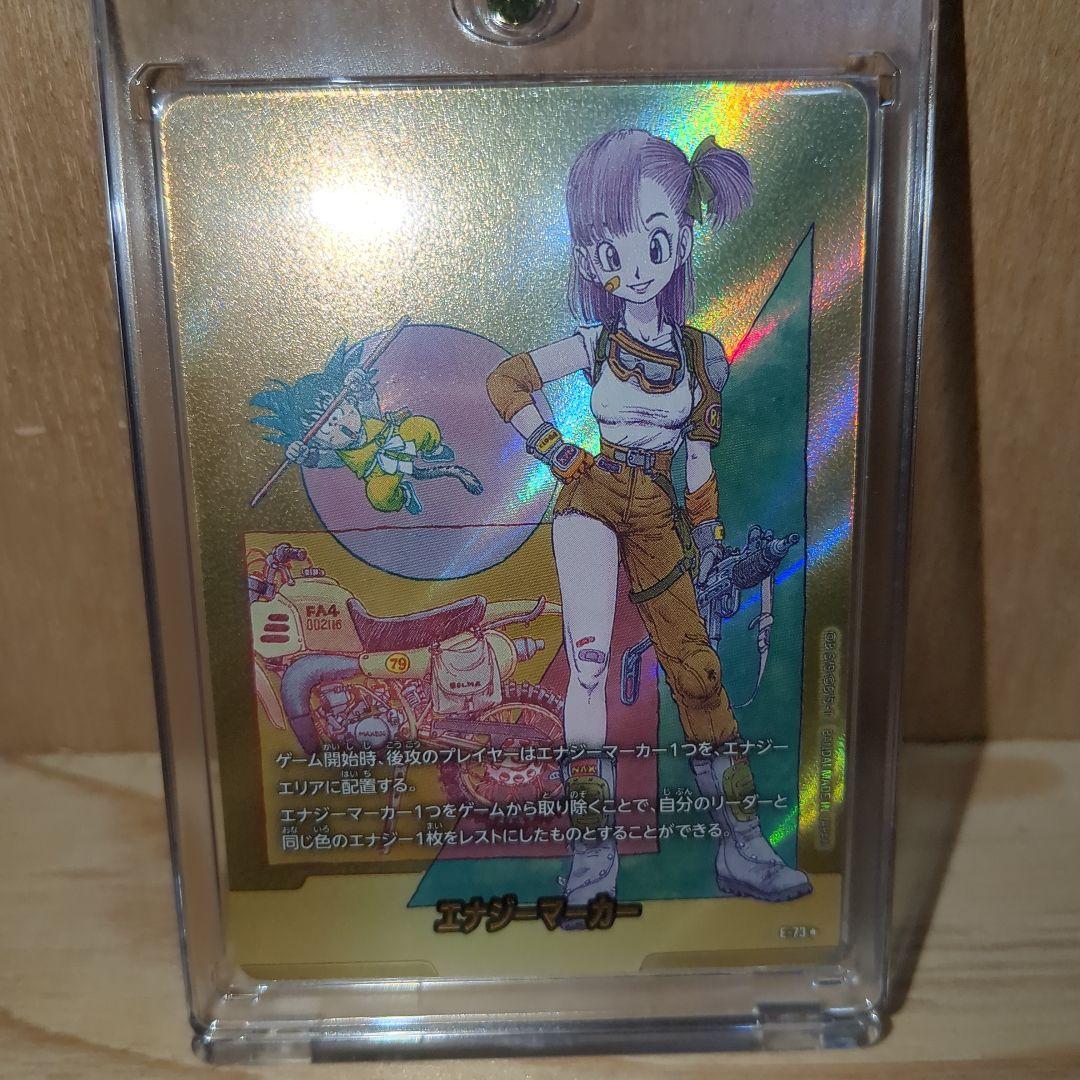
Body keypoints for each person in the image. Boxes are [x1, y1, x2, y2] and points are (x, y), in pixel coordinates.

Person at [486, 129, 809, 904]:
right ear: (591, 256)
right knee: (590, 663)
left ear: (681, 241)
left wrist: (710, 542)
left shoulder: (703, 357)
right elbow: (506, 382)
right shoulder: (594, 343)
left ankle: (743, 847)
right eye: (609, 247)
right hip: (594, 498)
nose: (630, 265)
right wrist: (556, 450)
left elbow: (698, 464)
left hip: (664, 514)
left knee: (699, 674)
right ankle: (592, 859)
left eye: (652, 241)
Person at [251, 337, 482, 514]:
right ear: (317, 440)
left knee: (420, 426)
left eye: (338, 411)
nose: (337, 423)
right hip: (380, 474)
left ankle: (432, 449)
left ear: (349, 401)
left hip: (402, 441)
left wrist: (360, 386)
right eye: (325, 428)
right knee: (379, 495)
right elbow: (320, 459)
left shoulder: (367, 416)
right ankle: (403, 494)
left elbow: (367, 400)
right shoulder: (340, 454)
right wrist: (303, 456)